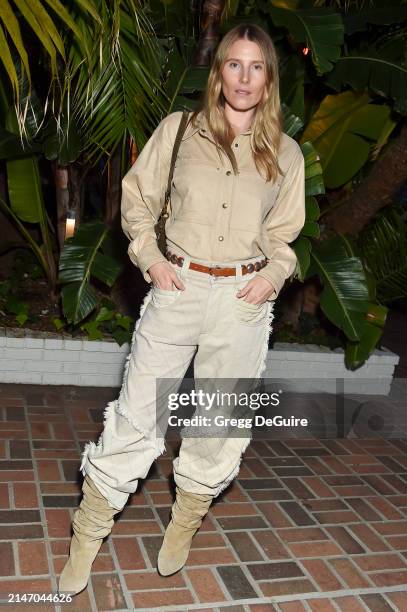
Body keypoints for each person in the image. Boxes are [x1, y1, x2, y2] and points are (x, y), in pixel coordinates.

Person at [58, 22, 305, 595]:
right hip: (180, 289)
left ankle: (185, 521)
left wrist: (273, 275)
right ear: (218, 73)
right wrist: (151, 259)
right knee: (137, 412)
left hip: (243, 301)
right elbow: (137, 201)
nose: (244, 78)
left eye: (257, 67)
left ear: (269, 79)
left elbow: (284, 232)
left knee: (219, 420)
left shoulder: (285, 153)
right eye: (233, 65)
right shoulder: (179, 130)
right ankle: (87, 534)